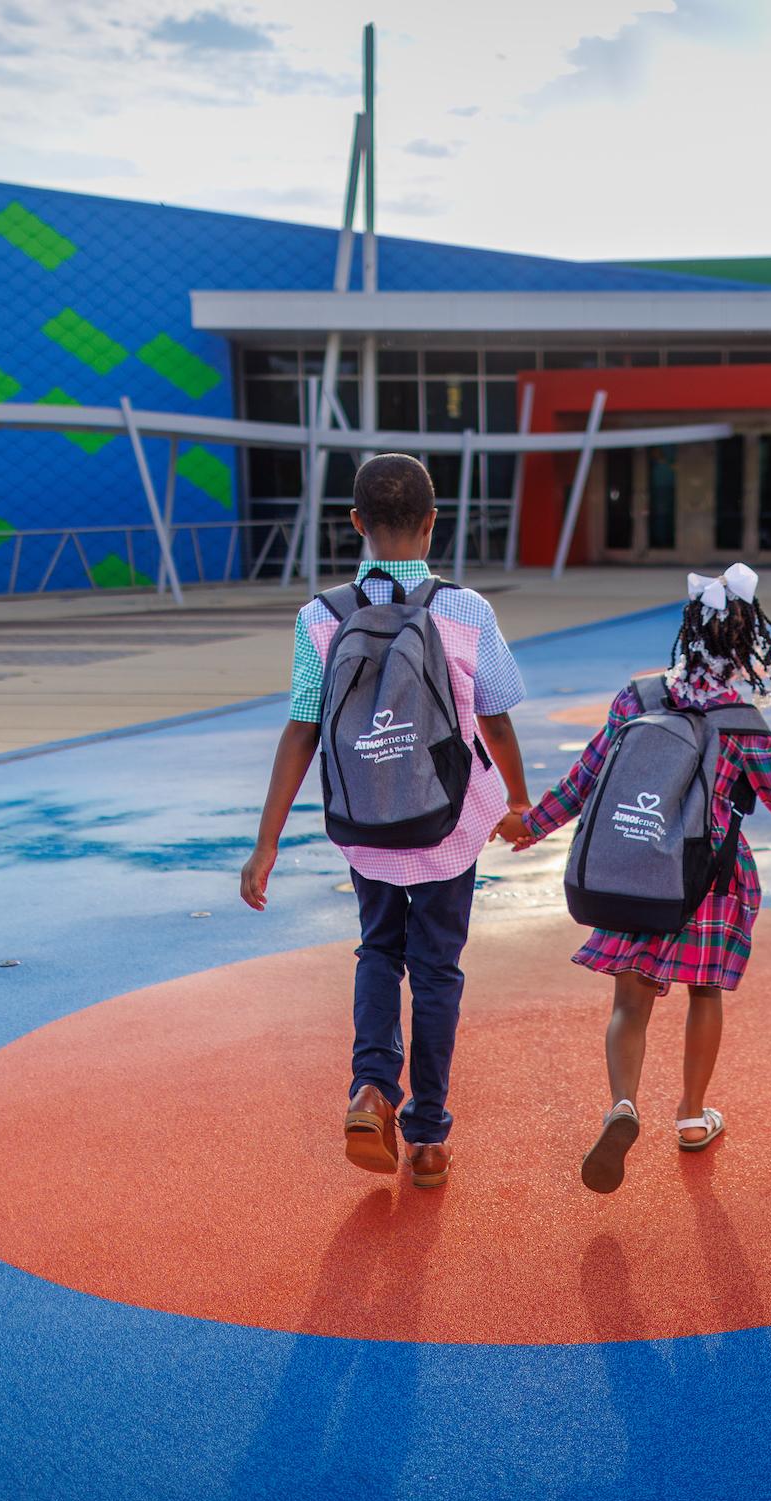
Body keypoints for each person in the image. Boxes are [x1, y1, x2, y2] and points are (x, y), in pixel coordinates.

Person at [237, 454, 529, 1190]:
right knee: (437, 969)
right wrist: (521, 802)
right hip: (448, 824)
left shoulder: (320, 617)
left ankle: (372, 1088)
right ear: (434, 523)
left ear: (356, 523)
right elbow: (495, 716)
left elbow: (302, 728)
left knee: (378, 950)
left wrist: (266, 842)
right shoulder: (467, 611)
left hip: (365, 821)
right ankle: (428, 1136)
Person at [507, 564, 771, 1193]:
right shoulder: (745, 724)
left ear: (687, 635)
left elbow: (584, 781)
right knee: (702, 993)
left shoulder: (639, 698)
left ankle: (622, 1104)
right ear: (748, 647)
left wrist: (530, 826)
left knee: (630, 1003)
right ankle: (689, 1115)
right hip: (708, 883)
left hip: (633, 871)